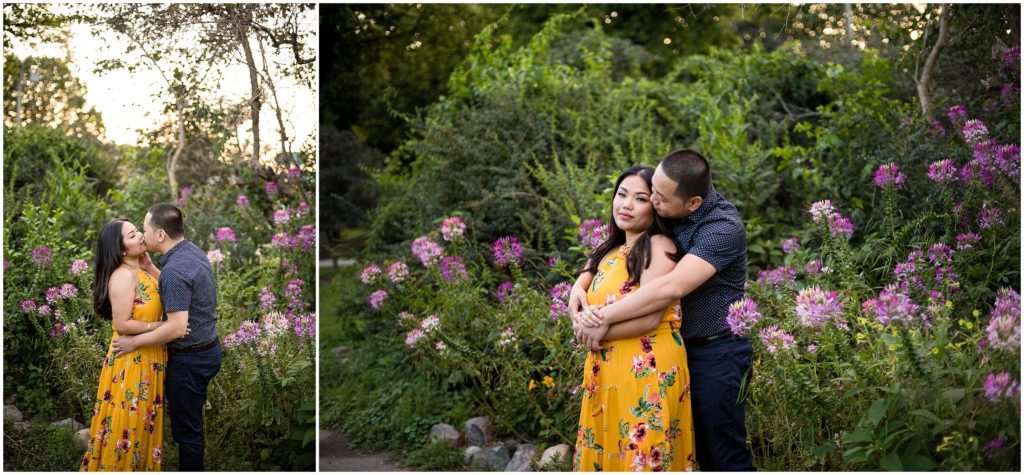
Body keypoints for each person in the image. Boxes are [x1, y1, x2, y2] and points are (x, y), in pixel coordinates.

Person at [572, 149, 754, 471]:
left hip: (716, 351)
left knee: (721, 454)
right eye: (651, 191)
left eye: (657, 197)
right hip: (674, 347)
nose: (652, 200)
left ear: (693, 203)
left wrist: (600, 318)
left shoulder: (723, 228)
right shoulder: (670, 204)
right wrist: (583, 279)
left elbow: (669, 289)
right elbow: (620, 244)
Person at [571, 166, 695, 472]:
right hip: (609, 366)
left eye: (639, 199)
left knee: (643, 452)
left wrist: (594, 332)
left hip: (647, 362)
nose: (626, 204)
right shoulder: (609, 251)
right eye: (621, 194)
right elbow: (583, 293)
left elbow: (651, 319)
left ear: (655, 207)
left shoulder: (659, 246)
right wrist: (576, 294)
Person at [112, 203, 221, 471]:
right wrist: (151, 269)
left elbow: (175, 327)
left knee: (188, 435)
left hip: (189, 360)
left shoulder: (174, 271)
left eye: (145, 230)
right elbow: (180, 291)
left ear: (160, 235)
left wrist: (132, 342)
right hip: (208, 351)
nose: (142, 236)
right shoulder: (191, 253)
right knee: (191, 426)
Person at [82, 219, 174, 471]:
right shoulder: (122, 276)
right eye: (133, 235)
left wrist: (151, 266)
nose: (142, 237)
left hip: (149, 359)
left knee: (143, 428)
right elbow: (122, 324)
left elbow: (175, 288)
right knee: (128, 427)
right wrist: (162, 328)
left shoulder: (141, 271)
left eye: (137, 231)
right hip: (133, 364)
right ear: (121, 250)